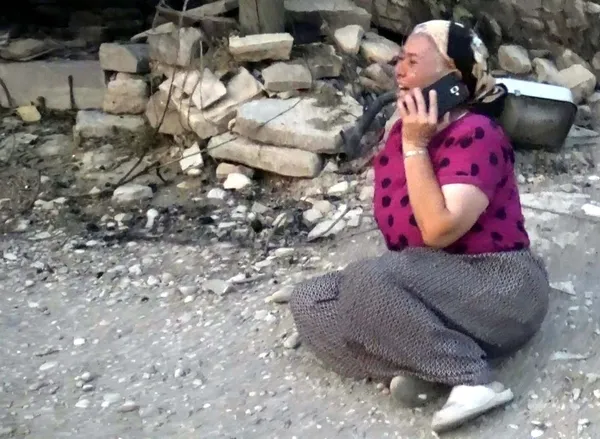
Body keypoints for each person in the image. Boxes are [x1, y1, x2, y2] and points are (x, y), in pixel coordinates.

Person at [289, 20, 550, 433]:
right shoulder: (404, 132)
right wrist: (411, 140)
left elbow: (439, 230)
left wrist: (416, 146)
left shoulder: (477, 133)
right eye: (400, 60)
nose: (400, 71)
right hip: (432, 285)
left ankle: (472, 380)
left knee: (365, 280)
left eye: (413, 62)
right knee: (309, 300)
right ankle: (427, 367)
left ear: (453, 79)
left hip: (500, 287)